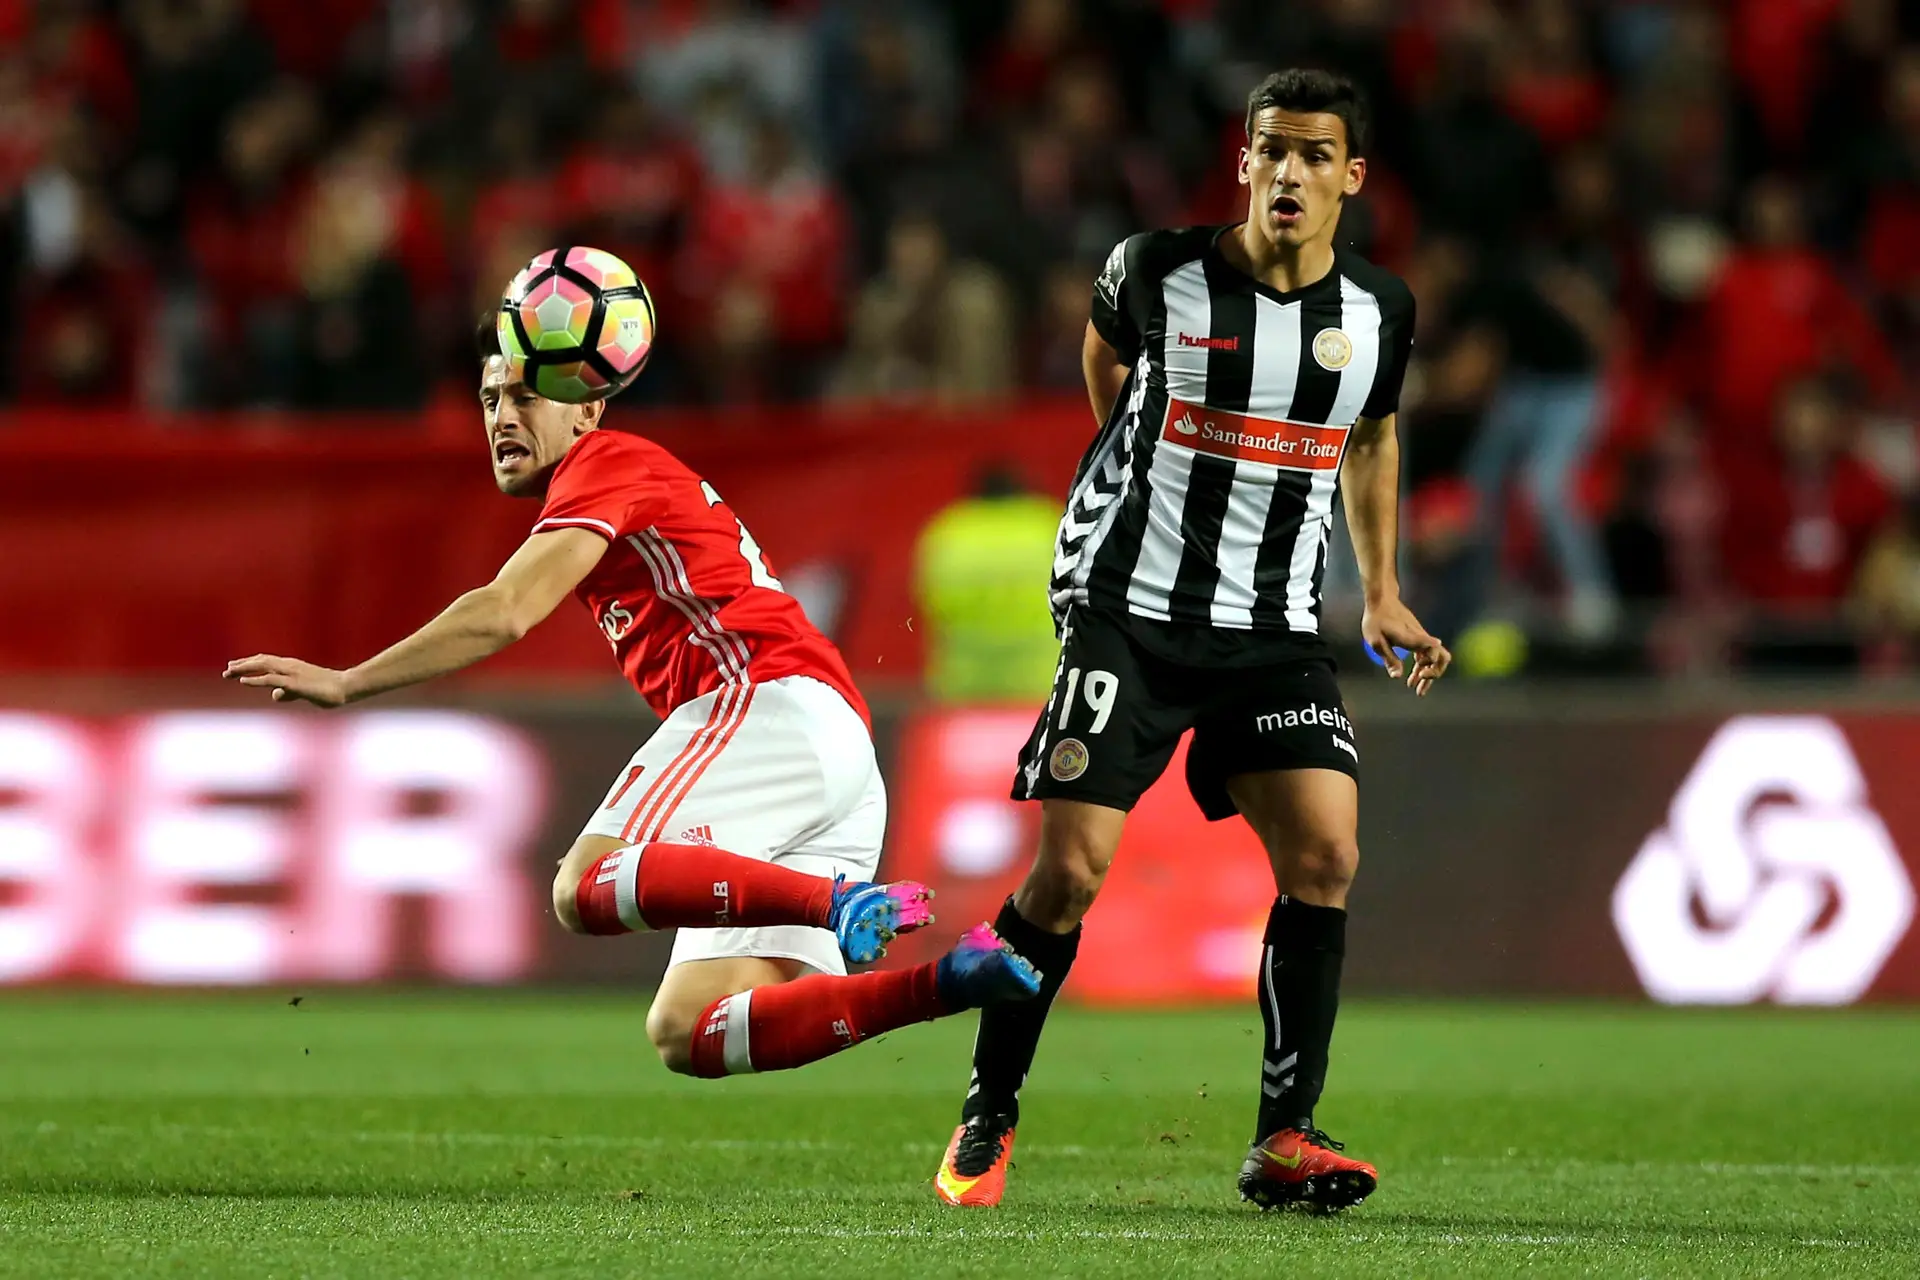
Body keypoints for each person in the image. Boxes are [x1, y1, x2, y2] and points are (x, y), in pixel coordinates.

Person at [225, 315, 1039, 1080]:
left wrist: (349, 681)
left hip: (762, 699)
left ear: (587, 409)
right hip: (832, 747)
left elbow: (505, 610)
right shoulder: (603, 481)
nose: (501, 417)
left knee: (584, 886)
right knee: (688, 1029)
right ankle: (948, 981)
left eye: (522, 394)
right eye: (488, 399)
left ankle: (839, 903)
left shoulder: (605, 461)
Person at [931, 69, 1451, 1213]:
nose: (1290, 173)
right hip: (1131, 608)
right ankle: (989, 1106)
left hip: (1271, 627)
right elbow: (1106, 371)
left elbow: (1369, 439)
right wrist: (1133, 475)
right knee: (1068, 874)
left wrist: (1381, 592)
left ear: (1350, 178)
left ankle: (1285, 1135)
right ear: (1244, 162)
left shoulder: (1380, 312)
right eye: (1273, 150)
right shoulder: (1156, 269)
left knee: (1325, 856)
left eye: (1317, 156)